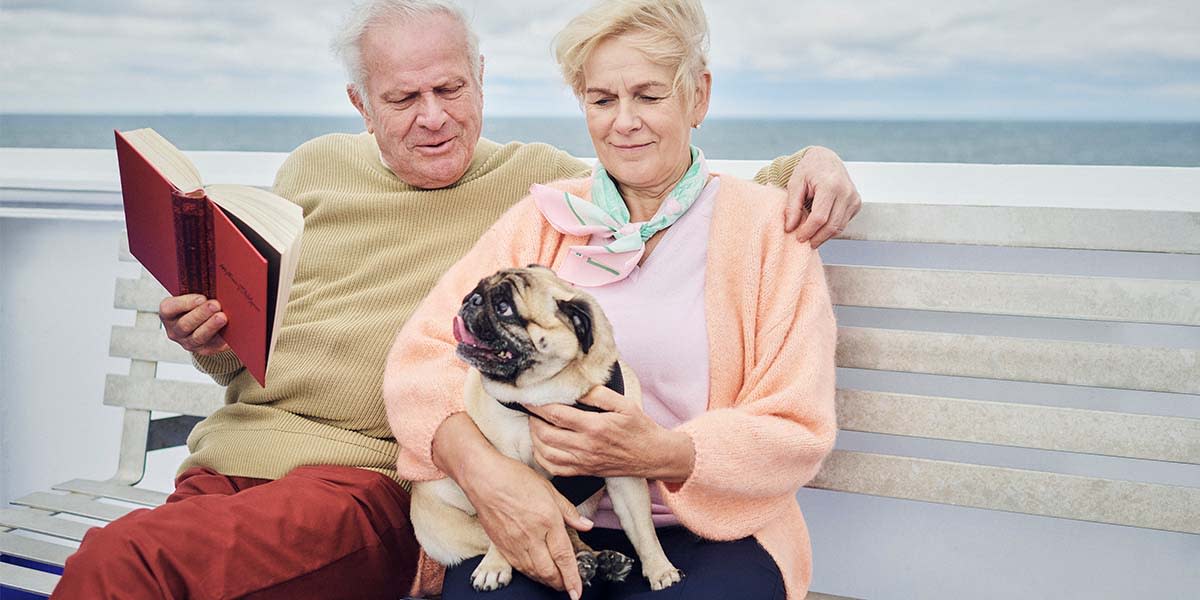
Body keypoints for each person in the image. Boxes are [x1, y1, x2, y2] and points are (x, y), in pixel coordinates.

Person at [52, 1, 856, 598]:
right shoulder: (335, 175)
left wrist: (811, 162)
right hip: (241, 452)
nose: (434, 119)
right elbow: (343, 350)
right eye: (403, 100)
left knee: (119, 566)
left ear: (480, 83)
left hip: (366, 480)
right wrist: (213, 341)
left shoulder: (532, 189)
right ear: (360, 105)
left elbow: (676, 170)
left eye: (450, 88)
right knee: (132, 560)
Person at [383, 1, 836, 599]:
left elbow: (797, 424)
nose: (625, 122)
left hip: (706, 531)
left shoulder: (766, 231)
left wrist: (667, 451)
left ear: (698, 97)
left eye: (649, 96)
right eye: (602, 100)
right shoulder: (545, 218)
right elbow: (420, 357)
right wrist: (486, 471)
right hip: (540, 517)